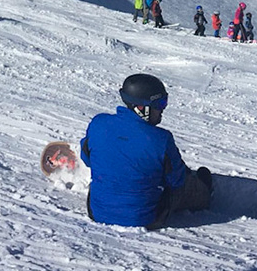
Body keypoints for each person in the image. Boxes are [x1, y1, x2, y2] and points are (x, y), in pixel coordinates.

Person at [81, 73, 213, 229]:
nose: (163, 110)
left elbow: (87, 159)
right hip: (147, 218)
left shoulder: (98, 124)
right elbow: (176, 181)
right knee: (186, 185)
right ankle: (204, 193)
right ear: (141, 107)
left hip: (97, 212)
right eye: (160, 104)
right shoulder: (161, 139)